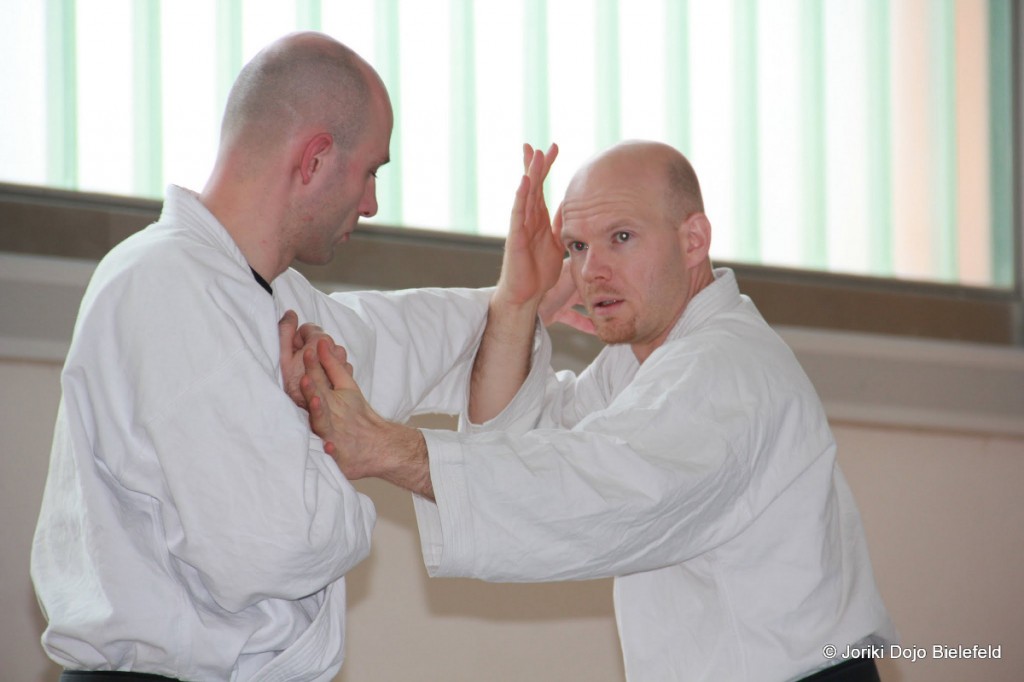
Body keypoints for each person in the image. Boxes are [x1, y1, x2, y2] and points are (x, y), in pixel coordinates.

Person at [298, 141, 897, 681]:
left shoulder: (724, 369)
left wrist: (387, 447)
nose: (592, 271)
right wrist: (516, 302)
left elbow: (590, 489)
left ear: (694, 240)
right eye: (578, 247)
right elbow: (521, 438)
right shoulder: (645, 360)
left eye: (622, 238)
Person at [30, 32, 496, 681]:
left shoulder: (265, 293)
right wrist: (321, 434)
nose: (371, 203)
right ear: (313, 159)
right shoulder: (168, 284)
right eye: (370, 172)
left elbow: (394, 337)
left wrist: (522, 296)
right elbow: (272, 548)